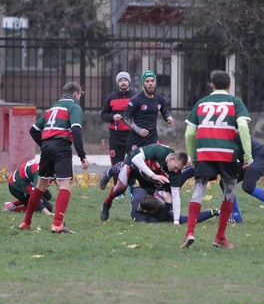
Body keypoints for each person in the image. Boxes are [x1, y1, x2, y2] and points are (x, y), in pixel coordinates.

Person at [181, 70, 252, 249]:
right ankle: (219, 237)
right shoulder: (236, 103)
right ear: (229, 86)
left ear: (211, 85)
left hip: (204, 152)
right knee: (229, 192)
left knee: (199, 189)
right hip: (227, 153)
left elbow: (189, 133)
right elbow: (243, 127)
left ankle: (189, 232)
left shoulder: (201, 103)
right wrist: (248, 155)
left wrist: (192, 156)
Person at [19, 82, 89, 232]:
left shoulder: (51, 108)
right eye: (79, 95)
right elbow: (76, 131)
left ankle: (26, 222)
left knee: (40, 186)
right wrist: (82, 155)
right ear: (76, 94)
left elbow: (34, 130)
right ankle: (57, 224)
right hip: (61, 148)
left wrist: (45, 144)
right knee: (65, 186)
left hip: (46, 148)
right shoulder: (74, 107)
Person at [100, 143, 188, 223]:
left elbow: (176, 196)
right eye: (176, 167)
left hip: (147, 176)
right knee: (120, 188)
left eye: (179, 169)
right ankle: (106, 204)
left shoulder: (176, 173)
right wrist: (154, 175)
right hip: (134, 164)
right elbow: (136, 159)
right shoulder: (160, 150)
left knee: (148, 197)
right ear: (171, 158)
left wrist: (176, 220)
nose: (176, 171)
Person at [122, 70, 173, 153]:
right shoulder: (135, 99)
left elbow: (165, 111)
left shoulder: (160, 99)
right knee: (133, 165)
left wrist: (169, 118)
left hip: (152, 139)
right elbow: (125, 117)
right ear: (143, 83)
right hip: (136, 140)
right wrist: (138, 130)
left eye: (152, 81)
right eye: (147, 81)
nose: (150, 83)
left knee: (152, 165)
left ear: (155, 83)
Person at [130, 186, 219, 224]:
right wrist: (168, 203)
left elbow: (134, 189)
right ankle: (214, 212)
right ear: (146, 211)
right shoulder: (139, 217)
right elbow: (161, 219)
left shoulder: (140, 193)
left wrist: (160, 192)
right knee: (184, 220)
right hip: (163, 212)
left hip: (156, 198)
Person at [101, 71, 135, 168]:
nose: (123, 82)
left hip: (132, 135)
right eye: (120, 81)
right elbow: (103, 114)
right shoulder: (111, 97)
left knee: (132, 164)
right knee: (117, 165)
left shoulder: (135, 97)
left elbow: (141, 114)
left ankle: (131, 183)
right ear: (117, 83)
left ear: (129, 82)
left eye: (125, 80)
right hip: (116, 136)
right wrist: (112, 117)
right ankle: (117, 183)